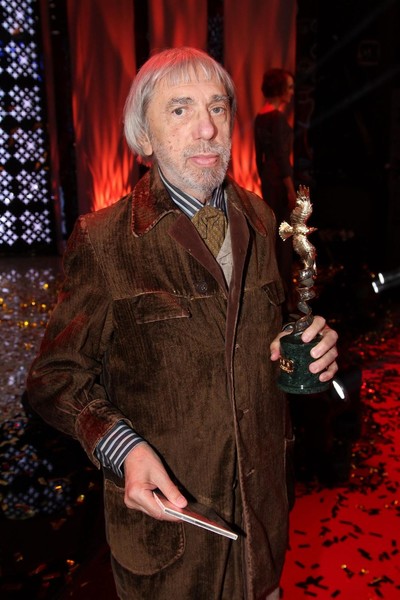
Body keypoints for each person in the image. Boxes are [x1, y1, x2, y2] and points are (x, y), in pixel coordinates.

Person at [27, 47, 338, 600]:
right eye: (180, 109)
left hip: (262, 530)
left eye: (218, 107)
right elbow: (54, 378)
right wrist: (122, 447)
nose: (207, 128)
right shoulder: (105, 241)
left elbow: (261, 334)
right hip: (171, 548)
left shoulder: (260, 218)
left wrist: (305, 345)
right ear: (143, 137)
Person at [254, 68, 296, 313]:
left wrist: (263, 181)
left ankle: (279, 297)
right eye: (289, 87)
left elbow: (259, 158)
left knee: (276, 236)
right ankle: (285, 298)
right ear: (279, 89)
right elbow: (282, 157)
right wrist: (291, 189)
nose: (292, 92)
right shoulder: (277, 118)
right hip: (280, 183)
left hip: (269, 183)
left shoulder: (260, 117)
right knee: (284, 238)